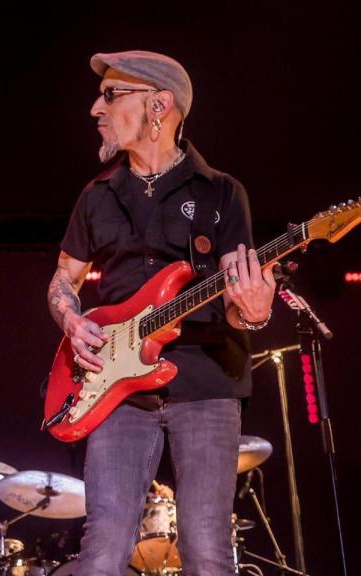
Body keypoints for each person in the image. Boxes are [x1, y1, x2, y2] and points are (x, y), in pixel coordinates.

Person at [46, 51, 276, 575]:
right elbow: (65, 278)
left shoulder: (221, 193)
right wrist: (70, 319)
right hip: (116, 389)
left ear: (159, 104)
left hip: (207, 383)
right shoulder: (98, 195)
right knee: (103, 549)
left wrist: (254, 314)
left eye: (110, 95)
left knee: (208, 550)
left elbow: (239, 307)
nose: (94, 109)